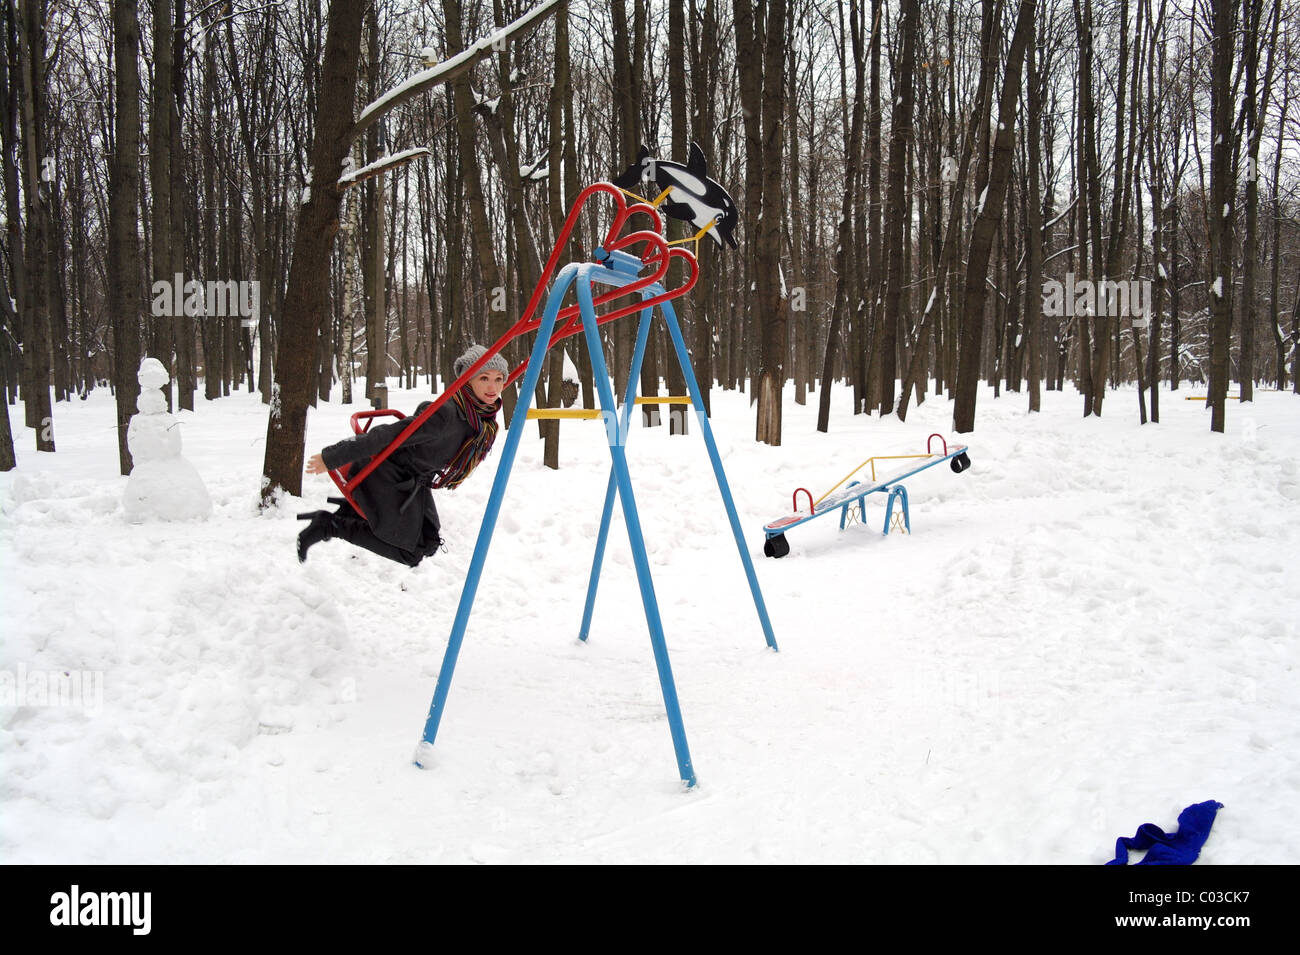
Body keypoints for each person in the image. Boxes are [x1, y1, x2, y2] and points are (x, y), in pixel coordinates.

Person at [297, 344, 507, 566]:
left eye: (499, 378)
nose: (492, 387)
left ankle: (351, 513)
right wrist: (331, 457)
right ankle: (329, 525)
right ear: (467, 380)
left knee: (428, 541)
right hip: (385, 473)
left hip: (415, 478)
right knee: (411, 552)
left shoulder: (482, 417)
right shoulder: (445, 414)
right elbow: (388, 435)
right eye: (483, 378)